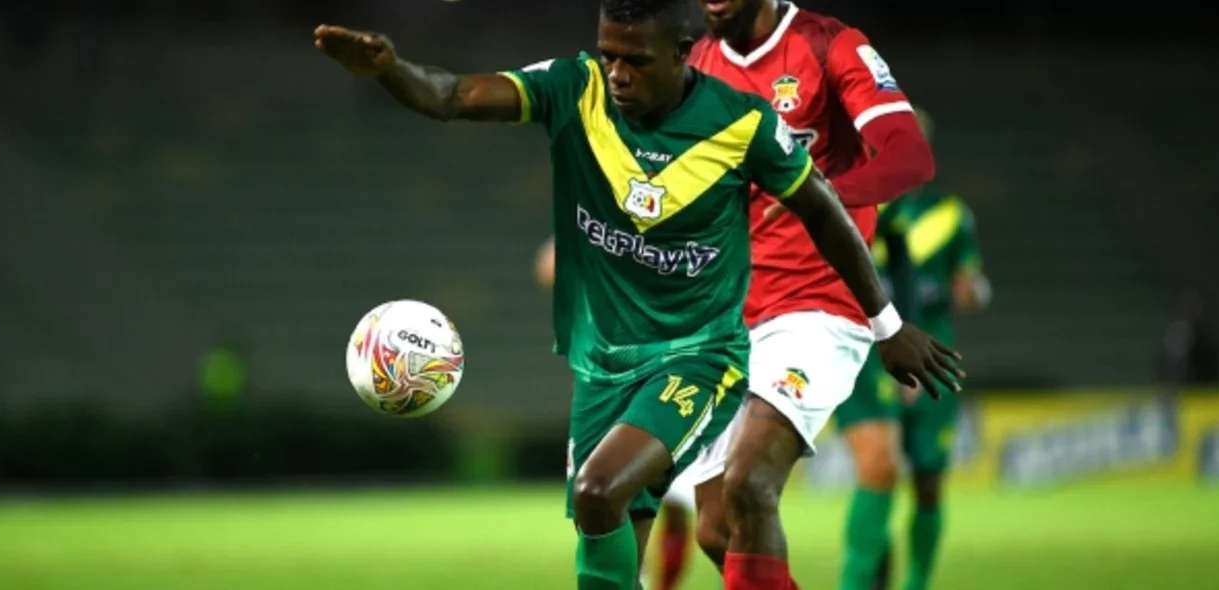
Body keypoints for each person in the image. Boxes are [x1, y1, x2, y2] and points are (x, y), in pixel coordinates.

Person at [316, 1, 960, 587]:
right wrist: (389, 69)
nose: (619, 73)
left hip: (754, 330)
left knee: (725, 485)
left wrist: (884, 318)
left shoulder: (792, 78)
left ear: (676, 54)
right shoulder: (616, 77)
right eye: (610, 57)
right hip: (660, 333)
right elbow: (459, 96)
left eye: (634, 60)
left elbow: (871, 180)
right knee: (704, 529)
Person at [653, 1, 941, 587]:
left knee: (750, 481)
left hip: (819, 305)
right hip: (728, 314)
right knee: (715, 529)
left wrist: (818, 193)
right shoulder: (698, 63)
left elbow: (908, 155)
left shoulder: (829, 46)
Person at [834, 107, 991, 590]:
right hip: (864, 355)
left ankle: (914, 582)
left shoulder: (949, 215)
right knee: (878, 466)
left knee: (926, 481)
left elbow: (972, 282)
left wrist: (971, 291)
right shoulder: (854, 201)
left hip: (933, 357)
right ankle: (861, 579)